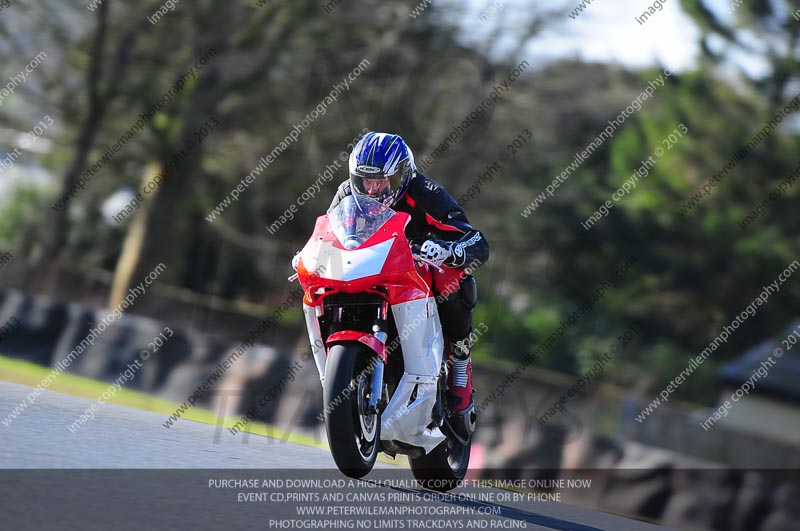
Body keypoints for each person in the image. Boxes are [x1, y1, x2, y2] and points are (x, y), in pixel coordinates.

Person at [327, 131, 489, 428]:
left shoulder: (426, 192)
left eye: (381, 181)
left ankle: (460, 367)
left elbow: (475, 240)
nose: (373, 189)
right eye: (366, 180)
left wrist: (447, 250)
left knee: (454, 279)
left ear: (401, 175)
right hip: (367, 271)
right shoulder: (346, 194)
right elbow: (328, 233)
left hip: (414, 273)